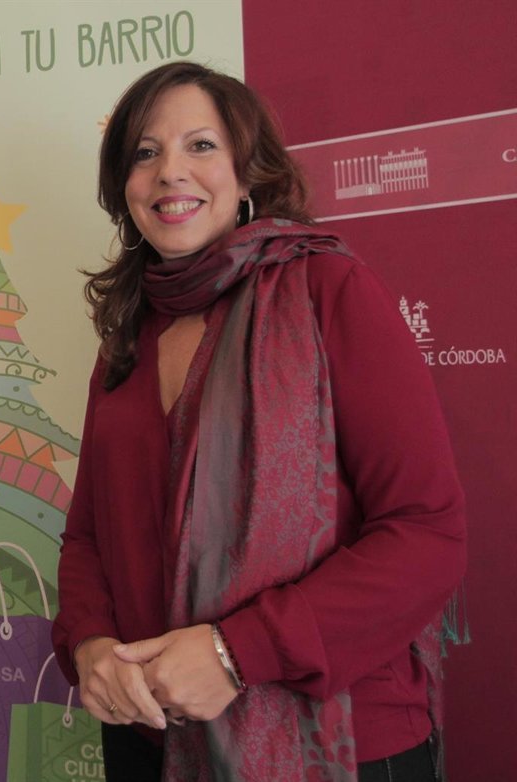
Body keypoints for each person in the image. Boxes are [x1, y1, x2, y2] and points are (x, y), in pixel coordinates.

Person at [51, 62, 466, 782]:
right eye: (145, 152)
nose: (170, 171)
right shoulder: (127, 338)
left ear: (247, 173)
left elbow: (426, 533)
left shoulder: (328, 290)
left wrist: (235, 653)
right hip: (149, 740)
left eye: (201, 145)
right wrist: (89, 645)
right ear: (125, 187)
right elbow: (89, 535)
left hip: (338, 740)